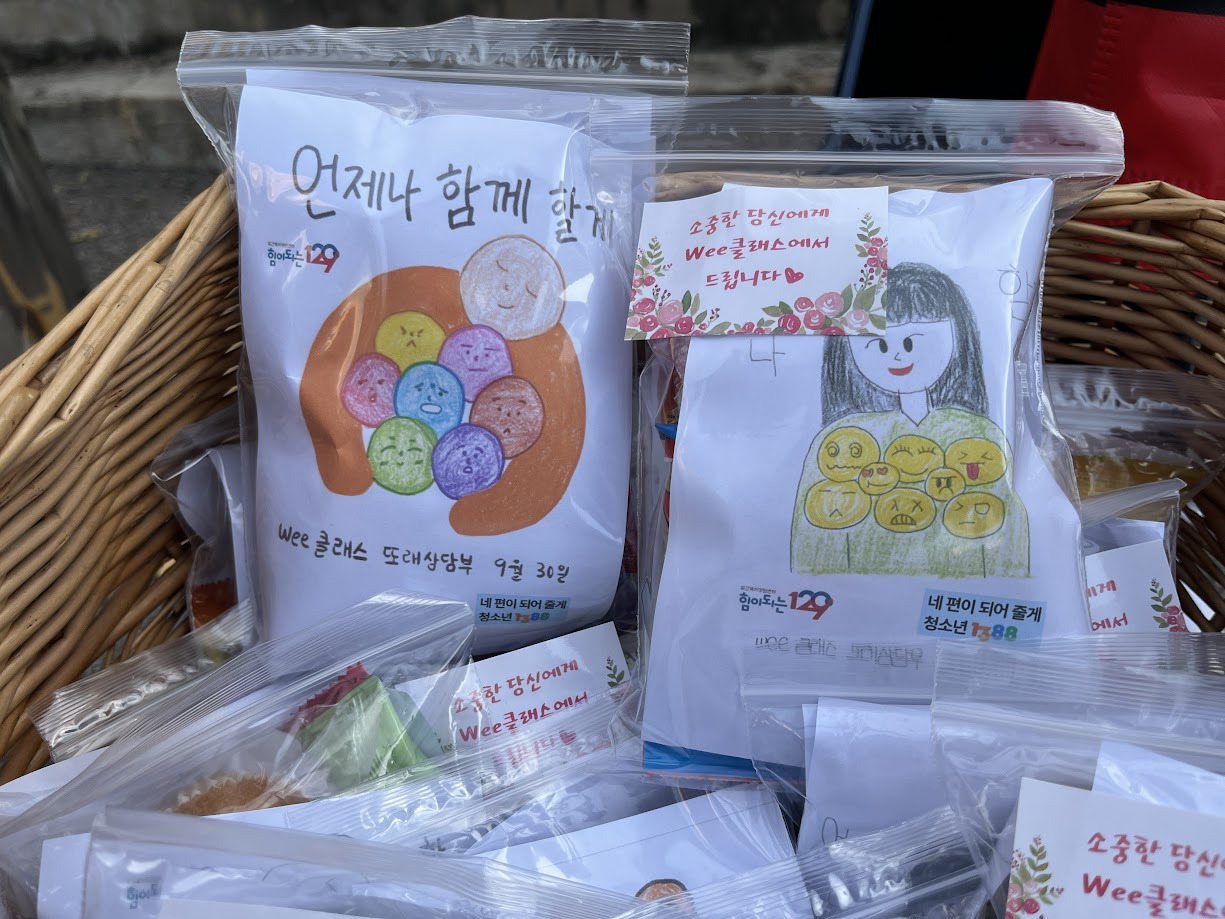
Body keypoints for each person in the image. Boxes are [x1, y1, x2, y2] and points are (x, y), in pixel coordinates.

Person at [791, 263, 1029, 579]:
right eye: (880, 344)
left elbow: (1008, 530)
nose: (898, 356)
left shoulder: (980, 434)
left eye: (912, 342)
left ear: (958, 336)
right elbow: (813, 534)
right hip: (857, 583)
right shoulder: (840, 441)